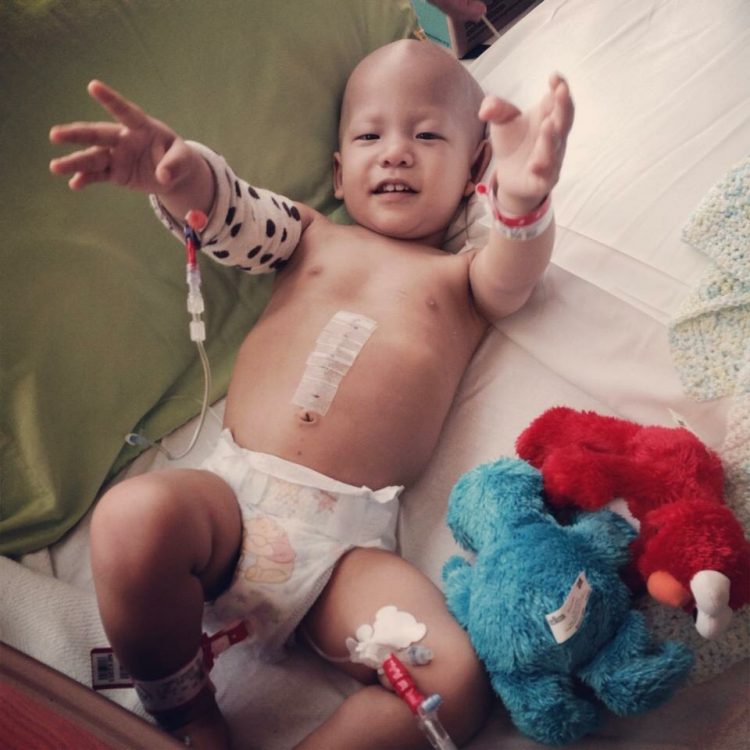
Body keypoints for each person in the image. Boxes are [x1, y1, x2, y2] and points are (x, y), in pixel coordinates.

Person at [49, 38, 573, 750]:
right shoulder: (310, 236)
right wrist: (179, 175)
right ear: (338, 168)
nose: (395, 153)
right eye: (369, 135)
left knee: (454, 678)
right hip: (227, 506)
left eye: (426, 135)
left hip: (343, 552)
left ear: (474, 166)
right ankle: (185, 710)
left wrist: (521, 199)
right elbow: (231, 214)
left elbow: (517, 272)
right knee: (131, 519)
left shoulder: (464, 280)